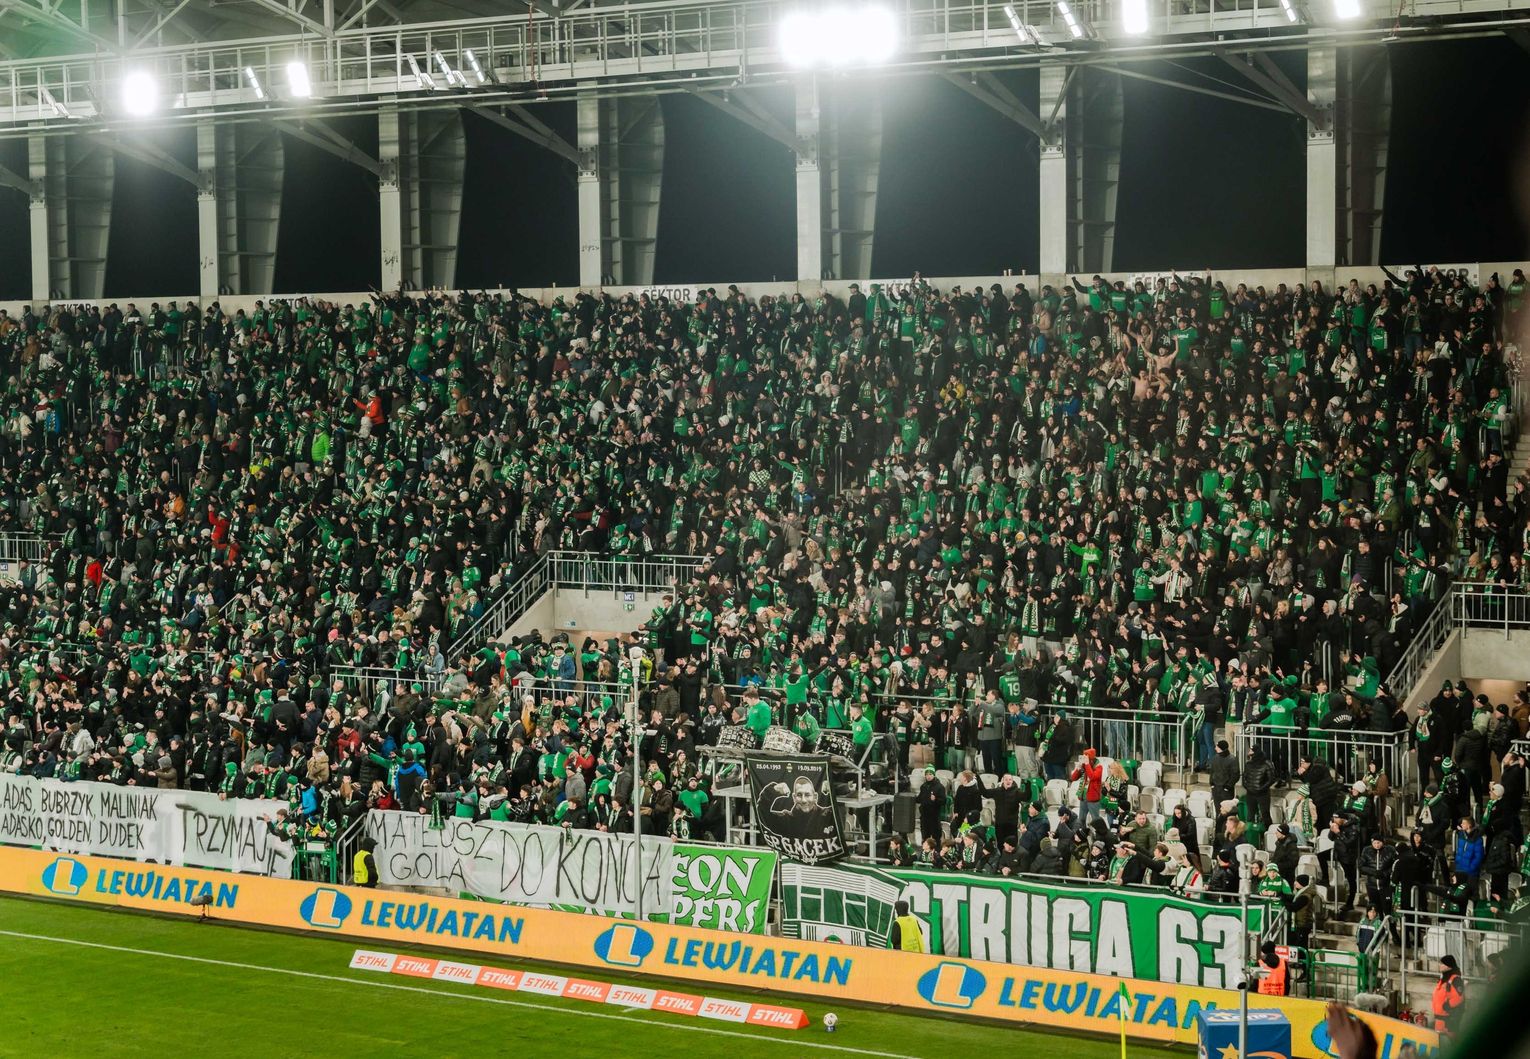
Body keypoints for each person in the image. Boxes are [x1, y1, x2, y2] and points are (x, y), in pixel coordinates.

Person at [1431, 955, 1466, 1037]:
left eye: (1442, 964)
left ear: (1448, 966)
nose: (1440, 965)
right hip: (1440, 1018)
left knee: (1449, 1042)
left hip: (1449, 1019)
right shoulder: (1444, 978)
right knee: (1439, 1041)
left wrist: (1447, 1006)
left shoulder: (1455, 979)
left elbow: (1459, 998)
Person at [1069, 748, 1104, 827]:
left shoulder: (1099, 767)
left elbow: (1092, 776)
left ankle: (1098, 833)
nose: (1084, 760)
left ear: (1091, 759)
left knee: (1095, 820)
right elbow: (1073, 778)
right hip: (1083, 797)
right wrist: (1078, 768)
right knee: (1081, 819)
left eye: (1086, 757)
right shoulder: (1084, 766)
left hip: (1093, 798)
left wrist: (1087, 764)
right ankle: (1082, 833)